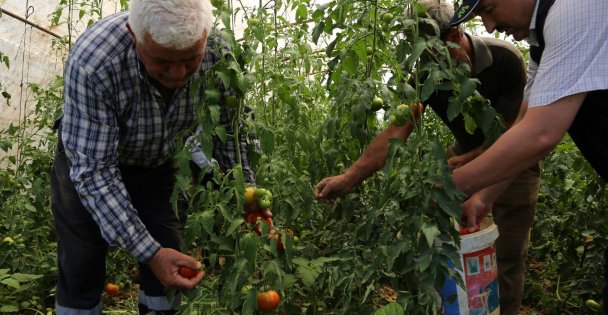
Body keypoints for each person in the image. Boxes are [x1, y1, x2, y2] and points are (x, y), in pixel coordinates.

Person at [313, 1, 539, 313]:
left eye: (436, 50)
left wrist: (469, 159)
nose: (432, 62)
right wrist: (348, 179)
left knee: (506, 255)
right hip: (463, 156)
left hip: (514, 163)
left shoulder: (505, 59)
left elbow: (517, 134)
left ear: (456, 33)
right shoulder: (424, 74)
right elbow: (395, 133)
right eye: (423, 53)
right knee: (444, 242)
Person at [50, 0, 255, 313]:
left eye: (190, 58)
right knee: (82, 260)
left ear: (204, 35)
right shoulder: (96, 60)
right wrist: (150, 253)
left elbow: (230, 133)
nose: (178, 73)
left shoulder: (219, 53)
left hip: (160, 161)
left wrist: (249, 197)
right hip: (91, 159)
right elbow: (94, 171)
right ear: (134, 34)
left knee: (168, 249)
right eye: (161, 60)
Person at [447, 0, 608, 310]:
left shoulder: (575, 10)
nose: (490, 27)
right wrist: (484, 197)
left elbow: (540, 134)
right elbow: (523, 123)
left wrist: (453, 184)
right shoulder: (543, 42)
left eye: (490, 10)